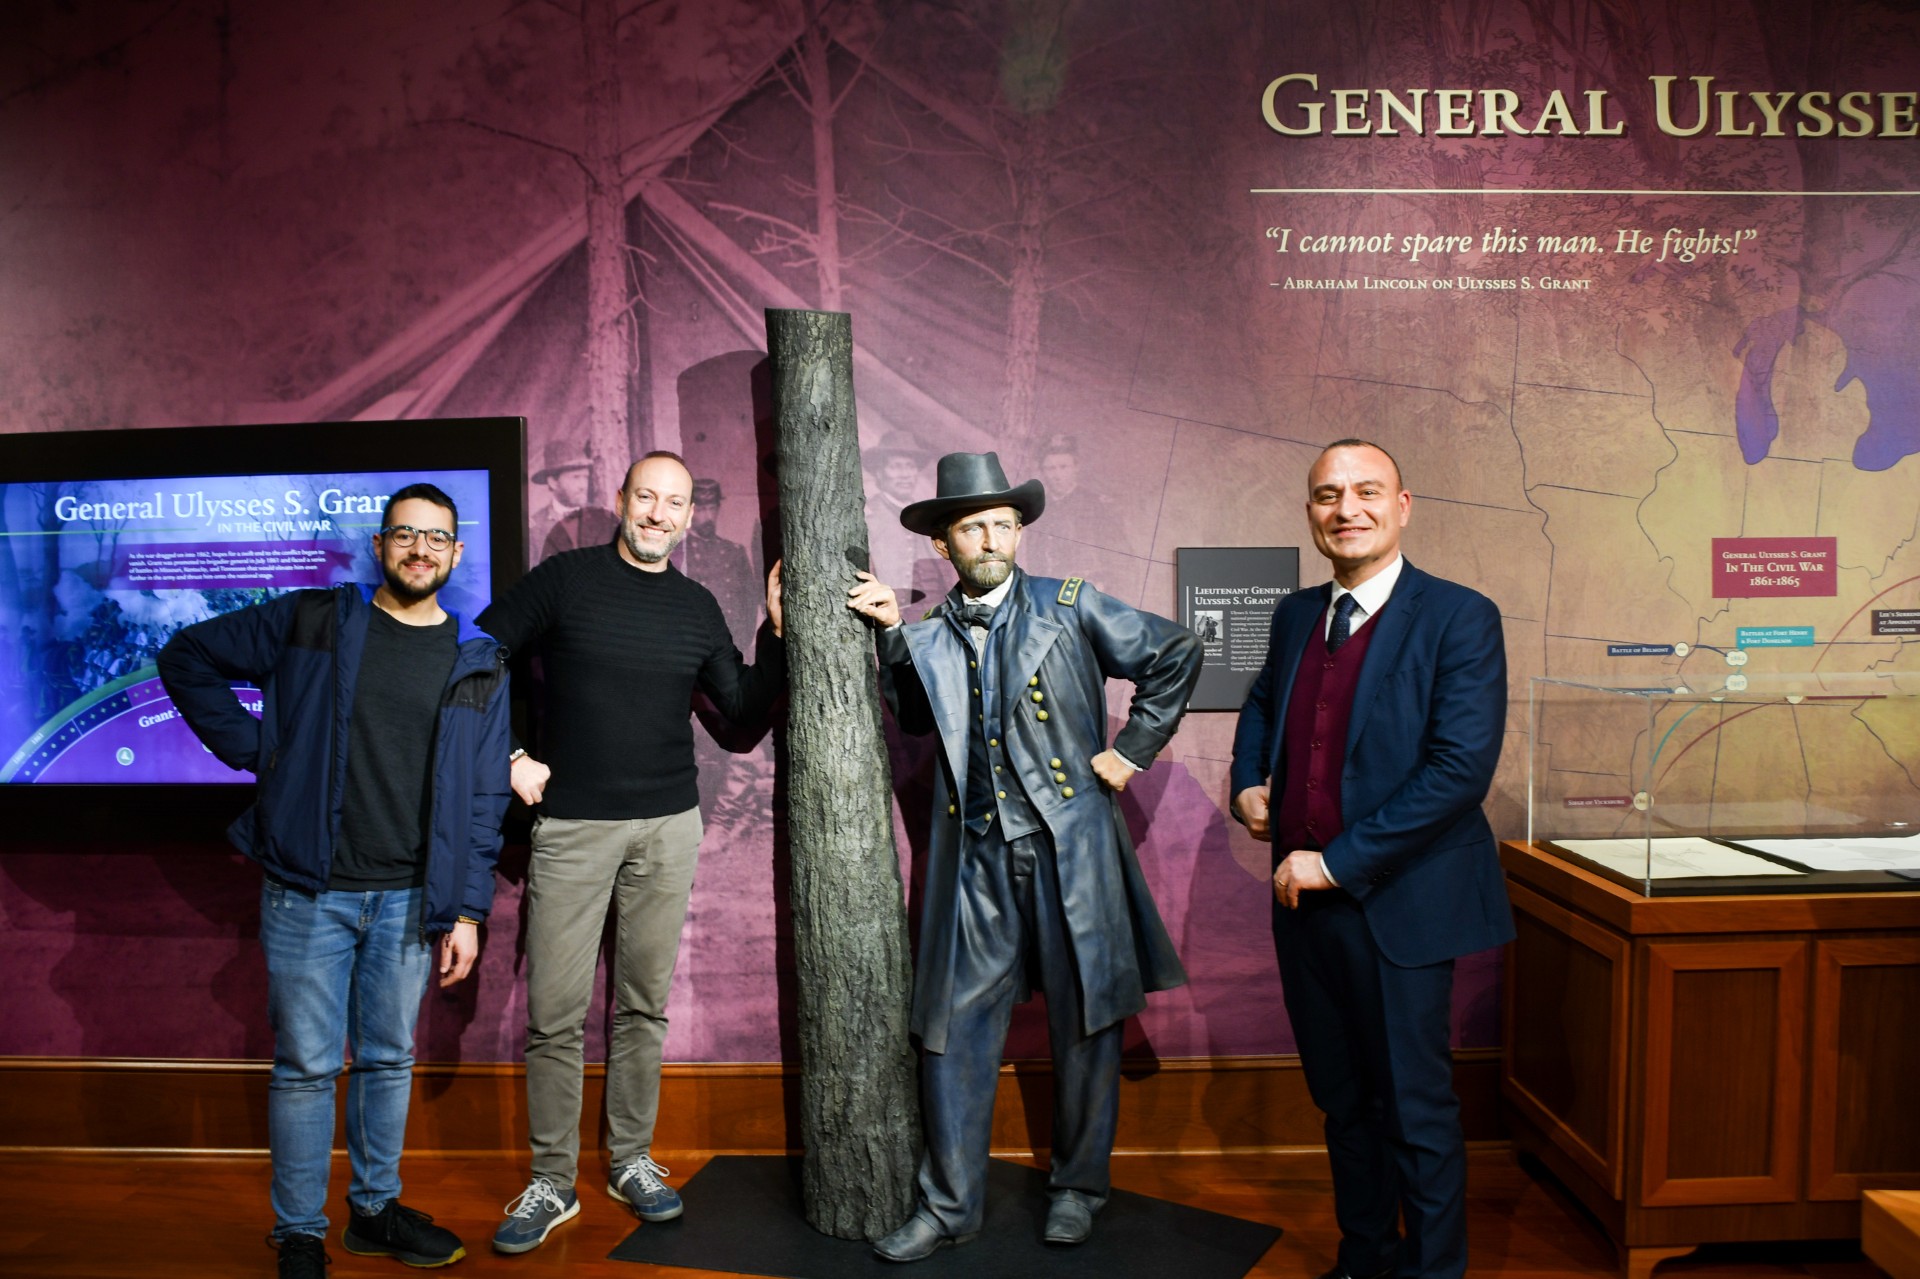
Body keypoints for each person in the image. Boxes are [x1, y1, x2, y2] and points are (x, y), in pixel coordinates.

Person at [846, 451, 1201, 1261]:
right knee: (952, 1026)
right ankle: (949, 1204)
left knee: (1087, 1020)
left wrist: (1133, 748)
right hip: (974, 859)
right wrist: (894, 637)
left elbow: (1175, 652)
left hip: (1070, 849)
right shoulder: (930, 631)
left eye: (1004, 523)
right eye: (974, 526)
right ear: (946, 545)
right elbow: (909, 719)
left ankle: (1077, 1188)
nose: (994, 538)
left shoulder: (1069, 607)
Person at [157, 483, 511, 1279]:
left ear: (456, 555)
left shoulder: (479, 660)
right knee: (309, 1066)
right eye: (405, 534)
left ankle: (374, 1213)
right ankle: (299, 1235)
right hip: (309, 891)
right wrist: (263, 754)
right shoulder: (312, 620)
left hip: (414, 898)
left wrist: (469, 909)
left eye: (437, 538)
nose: (420, 548)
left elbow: (486, 795)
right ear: (380, 546)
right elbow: (187, 658)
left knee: (388, 1059)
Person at [480, 450, 785, 1253]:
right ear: (620, 500)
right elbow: (477, 655)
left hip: (667, 827)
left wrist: (776, 632)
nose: (657, 513)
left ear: (689, 517)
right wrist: (511, 755)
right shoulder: (566, 579)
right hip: (573, 826)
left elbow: (744, 717)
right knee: (554, 1015)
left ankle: (630, 1161)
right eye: (645, 496)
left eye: (673, 503)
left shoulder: (697, 606)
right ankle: (552, 1181)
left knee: (642, 1006)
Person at [1228, 440, 1509, 1279]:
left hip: (1401, 907)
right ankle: (1364, 1259)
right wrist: (1248, 781)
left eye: (1366, 491)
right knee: (1343, 1103)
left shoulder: (1460, 616)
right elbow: (1262, 703)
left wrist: (1336, 862)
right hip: (1306, 911)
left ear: (1404, 504)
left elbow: (1459, 770)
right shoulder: (1292, 615)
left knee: (1414, 1111)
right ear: (1311, 512)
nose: (1346, 508)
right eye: (1327, 495)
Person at [530, 439, 619, 563]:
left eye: (585, 477)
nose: (583, 485)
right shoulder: (535, 527)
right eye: (575, 478)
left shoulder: (603, 519)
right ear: (553, 482)